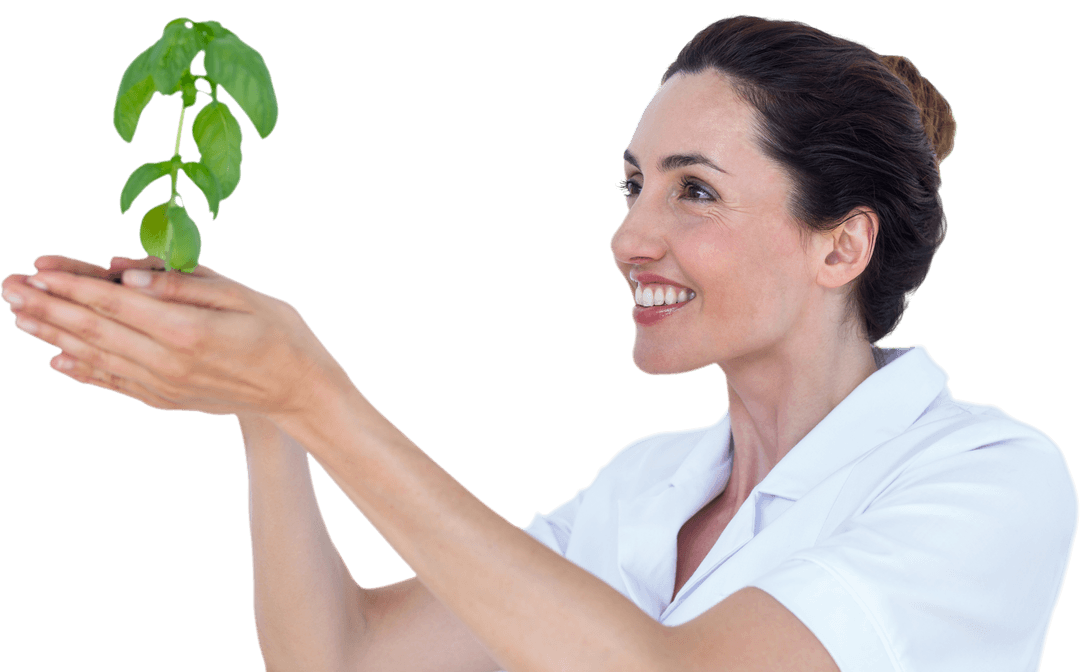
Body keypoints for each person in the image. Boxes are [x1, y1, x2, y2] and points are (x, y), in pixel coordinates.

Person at [2, 14, 1076, 672]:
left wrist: (321, 396)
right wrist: (266, 409)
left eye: (694, 190)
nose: (628, 236)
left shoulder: (988, 477)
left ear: (841, 247)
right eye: (631, 185)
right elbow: (339, 659)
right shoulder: (645, 489)